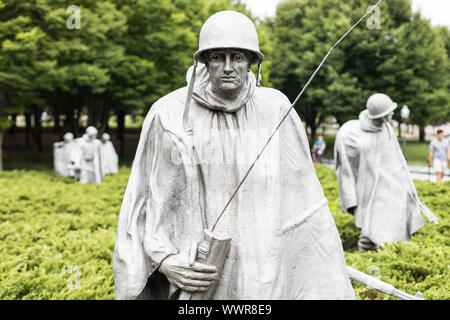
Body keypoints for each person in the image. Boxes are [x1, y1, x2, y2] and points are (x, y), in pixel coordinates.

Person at [113, 10, 355, 300]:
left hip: (263, 279)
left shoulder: (276, 110)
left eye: (238, 57)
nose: (228, 67)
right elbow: (144, 202)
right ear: (203, 61)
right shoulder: (169, 113)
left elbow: (306, 206)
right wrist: (164, 260)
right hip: (197, 276)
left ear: (253, 62)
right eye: (218, 57)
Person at [334, 93, 425, 252]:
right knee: (372, 222)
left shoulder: (386, 129)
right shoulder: (353, 133)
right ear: (379, 115)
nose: (391, 115)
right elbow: (349, 167)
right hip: (370, 187)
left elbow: (397, 158)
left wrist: (406, 184)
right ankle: (368, 248)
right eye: (388, 113)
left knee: (396, 216)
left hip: (392, 182)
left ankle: (391, 250)